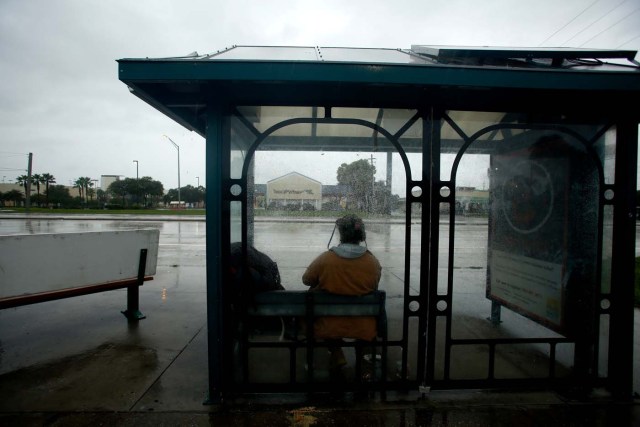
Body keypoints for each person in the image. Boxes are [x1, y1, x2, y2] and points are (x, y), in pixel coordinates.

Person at [302, 214, 382, 374]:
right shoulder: (372, 262)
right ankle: (364, 361)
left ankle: (336, 353)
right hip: (364, 326)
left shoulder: (326, 259)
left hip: (328, 325)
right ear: (361, 236)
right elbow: (374, 284)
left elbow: (307, 280)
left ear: (341, 234)